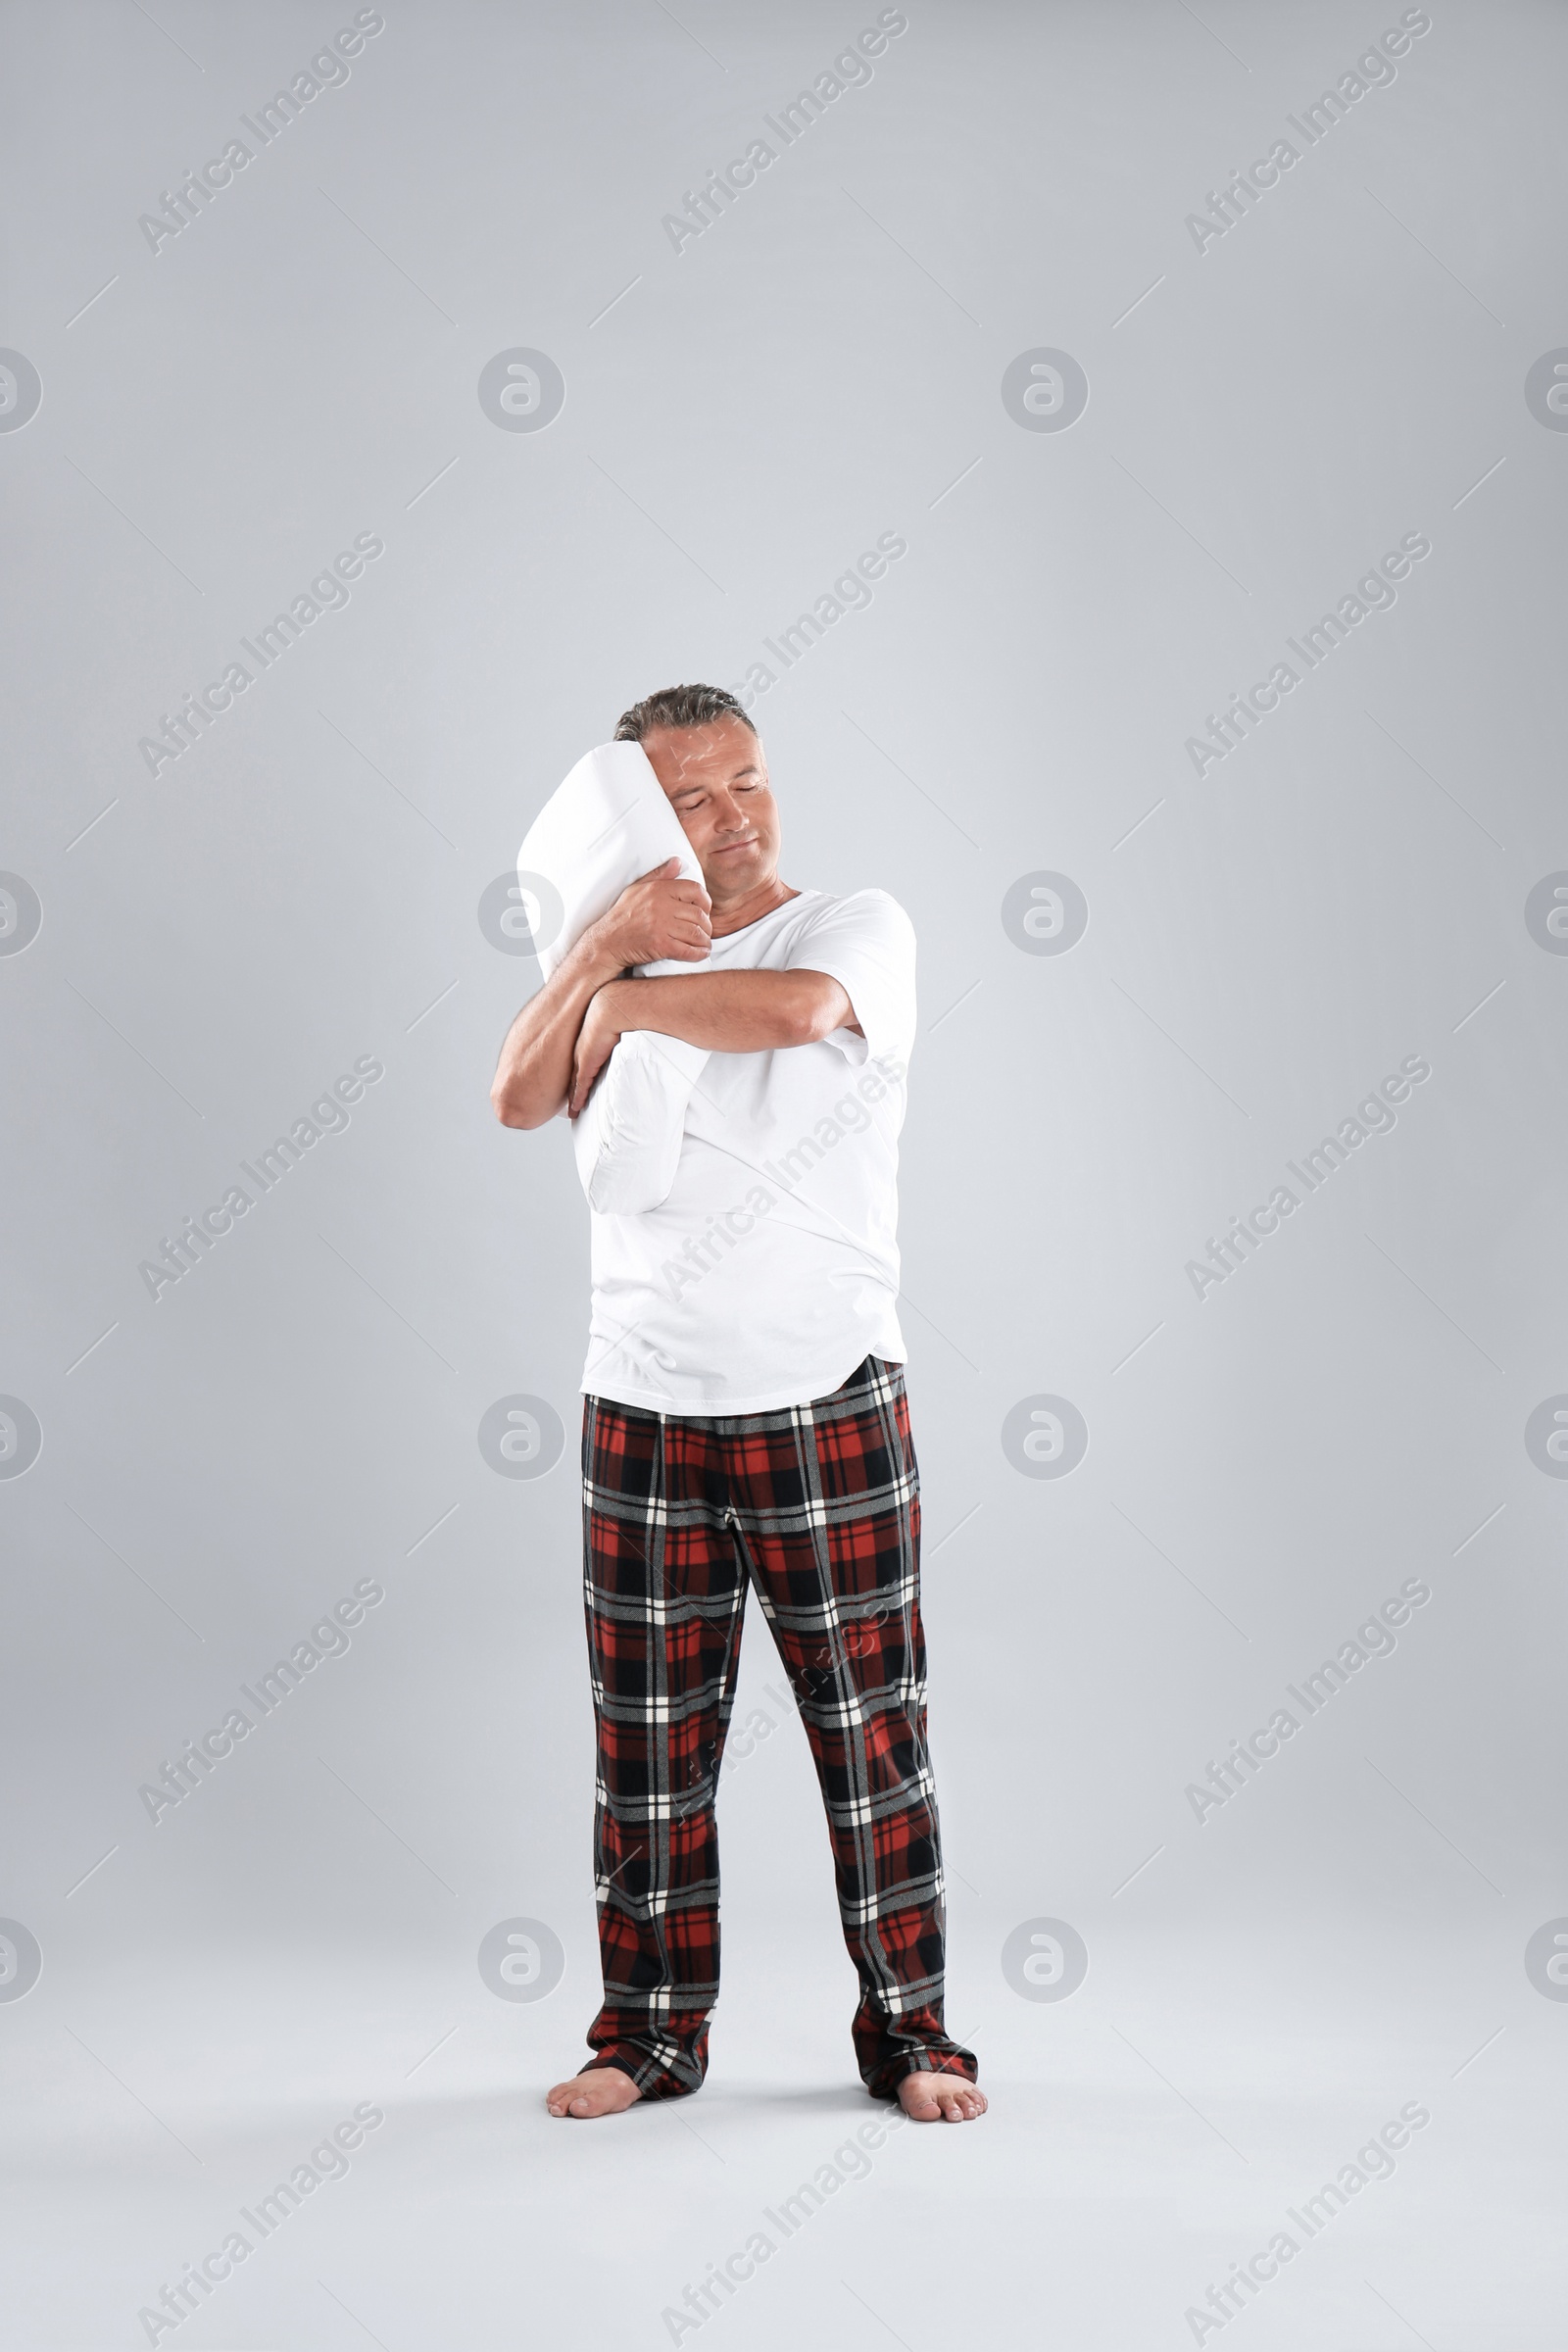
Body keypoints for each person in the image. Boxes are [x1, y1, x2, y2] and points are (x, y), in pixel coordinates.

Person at [490, 683, 984, 2125]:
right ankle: (647, 2038)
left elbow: (796, 1011)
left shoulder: (857, 925)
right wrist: (596, 948)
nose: (735, 816)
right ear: (645, 819)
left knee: (870, 1737)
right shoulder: (614, 948)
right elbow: (518, 1097)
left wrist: (613, 995)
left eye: (750, 781)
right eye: (694, 797)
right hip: (640, 1405)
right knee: (644, 1750)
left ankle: (913, 2036)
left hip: (824, 1393)